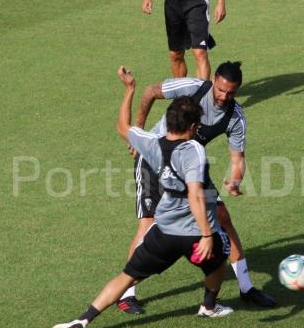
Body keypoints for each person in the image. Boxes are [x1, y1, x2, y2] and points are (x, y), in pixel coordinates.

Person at [50, 66, 233, 328]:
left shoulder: (152, 144)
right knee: (219, 262)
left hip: (164, 230)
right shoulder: (193, 148)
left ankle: (83, 320)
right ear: (194, 127)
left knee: (127, 276)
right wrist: (206, 234)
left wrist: (129, 90)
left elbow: (122, 127)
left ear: (168, 122)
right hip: (193, 232)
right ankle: (208, 305)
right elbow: (195, 194)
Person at [117, 61, 276, 314]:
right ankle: (126, 294)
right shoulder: (193, 87)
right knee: (147, 224)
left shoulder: (235, 116)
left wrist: (235, 179)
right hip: (155, 159)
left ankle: (246, 287)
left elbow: (238, 158)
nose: (224, 96)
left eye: (231, 92)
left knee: (223, 218)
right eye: (221, 89)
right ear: (214, 80)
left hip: (189, 166)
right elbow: (150, 91)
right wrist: (140, 131)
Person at [142, 0, 226, 79]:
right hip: (172, 3)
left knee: (200, 52)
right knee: (175, 54)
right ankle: (181, 93)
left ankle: (203, 93)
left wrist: (221, 2)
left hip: (197, 1)